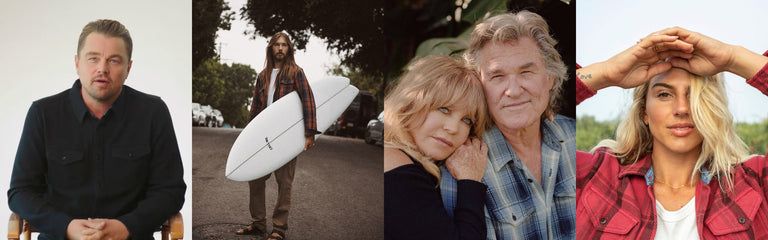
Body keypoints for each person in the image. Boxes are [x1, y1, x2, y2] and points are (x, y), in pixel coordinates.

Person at [575, 27, 768, 239]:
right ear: (644, 112)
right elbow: (540, 104)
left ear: (713, 107)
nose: (682, 108)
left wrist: (732, 57)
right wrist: (606, 73)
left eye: (695, 95)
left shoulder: (755, 181)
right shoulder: (592, 175)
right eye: (664, 94)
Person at [7, 19, 186, 240]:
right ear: (77, 63)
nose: (102, 68)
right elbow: (20, 192)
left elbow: (171, 190)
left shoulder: (153, 112)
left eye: (114, 60)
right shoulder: (43, 113)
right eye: (93, 58)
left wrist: (126, 226)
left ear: (128, 68)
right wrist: (67, 227)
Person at [439, 10, 576, 239]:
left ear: (550, 78)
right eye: (497, 76)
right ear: (479, 86)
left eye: (526, 72)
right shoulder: (461, 167)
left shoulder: (574, 135)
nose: (513, 91)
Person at [384, 55, 491, 240]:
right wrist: (470, 180)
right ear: (411, 102)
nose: (453, 128)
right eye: (444, 109)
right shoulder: (396, 167)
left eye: (467, 120)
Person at [235, 32, 318, 240]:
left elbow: (308, 100)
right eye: (276, 45)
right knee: (255, 178)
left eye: (284, 45)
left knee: (284, 183)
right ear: (271, 48)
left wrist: (309, 132)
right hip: (264, 134)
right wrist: (248, 135)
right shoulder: (263, 75)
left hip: (287, 135)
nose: (280, 48)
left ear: (289, 49)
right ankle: (258, 223)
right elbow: (255, 106)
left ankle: (279, 228)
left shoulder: (296, 73)